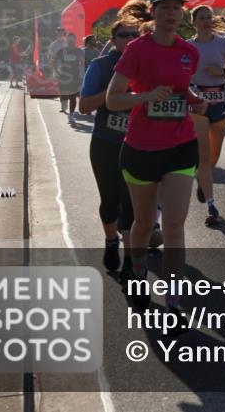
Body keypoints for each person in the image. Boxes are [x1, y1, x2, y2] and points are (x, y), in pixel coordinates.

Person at [106, 0, 207, 317]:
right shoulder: (137, 49)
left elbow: (182, 88)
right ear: (154, 12)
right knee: (144, 224)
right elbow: (113, 99)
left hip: (180, 145)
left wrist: (194, 99)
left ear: (182, 14)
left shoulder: (187, 52)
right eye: (165, 8)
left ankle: (174, 301)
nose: (172, 13)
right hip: (141, 148)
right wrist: (145, 97)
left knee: (175, 224)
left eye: (177, 8)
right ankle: (136, 272)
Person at [79, 18, 138, 277]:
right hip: (106, 143)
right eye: (124, 35)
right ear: (113, 41)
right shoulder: (101, 65)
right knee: (111, 201)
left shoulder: (145, 65)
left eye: (135, 34)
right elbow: (84, 106)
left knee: (131, 203)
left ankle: (129, 259)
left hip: (138, 145)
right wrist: (113, 90)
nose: (130, 39)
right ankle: (111, 240)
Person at [188, 5, 225, 226]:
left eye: (209, 17)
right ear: (194, 22)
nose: (206, 21)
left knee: (213, 158)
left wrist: (222, 72)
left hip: (220, 99)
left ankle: (204, 180)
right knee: (203, 154)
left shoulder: (223, 43)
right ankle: (211, 206)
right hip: (198, 101)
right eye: (201, 18)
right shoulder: (188, 46)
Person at [56, 32, 84, 124]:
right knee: (64, 95)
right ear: (67, 40)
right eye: (69, 39)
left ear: (75, 40)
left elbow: (82, 63)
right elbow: (56, 62)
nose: (71, 41)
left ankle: (71, 115)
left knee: (73, 96)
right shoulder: (61, 51)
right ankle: (64, 103)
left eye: (73, 39)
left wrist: (82, 74)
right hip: (63, 77)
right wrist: (57, 71)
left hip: (75, 77)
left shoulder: (78, 51)